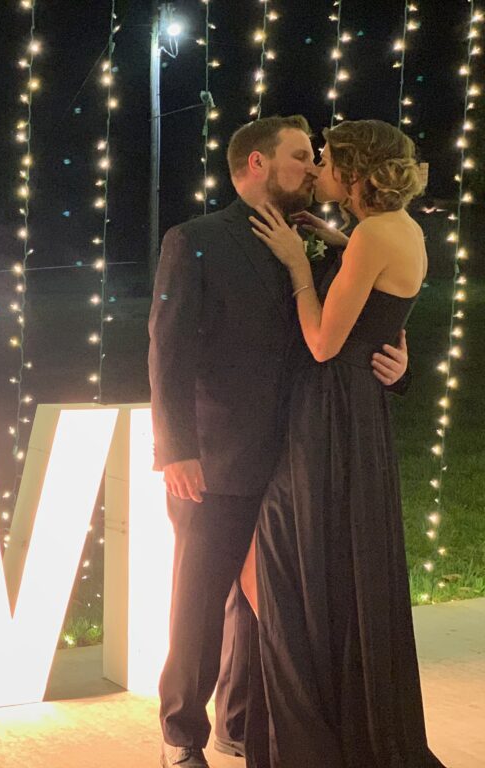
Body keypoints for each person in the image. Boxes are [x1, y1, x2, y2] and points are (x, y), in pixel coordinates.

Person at [147, 115, 411, 768]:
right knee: (200, 602)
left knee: (269, 609)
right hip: (219, 458)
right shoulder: (195, 239)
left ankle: (242, 724)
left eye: (317, 156)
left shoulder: (320, 240)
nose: (313, 167)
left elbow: (364, 320)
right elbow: (167, 349)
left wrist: (401, 367)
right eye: (300, 156)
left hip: (301, 458)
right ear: (257, 164)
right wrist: (175, 447)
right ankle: (181, 737)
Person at [242, 120, 444, 767]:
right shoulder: (397, 229)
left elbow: (324, 342)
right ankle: (330, 718)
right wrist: (334, 241)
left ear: (354, 172)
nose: (318, 169)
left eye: (326, 160)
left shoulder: (374, 235)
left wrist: (301, 266)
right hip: (358, 415)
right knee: (337, 561)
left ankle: (311, 734)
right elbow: (378, 309)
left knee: (289, 555)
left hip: (327, 415)